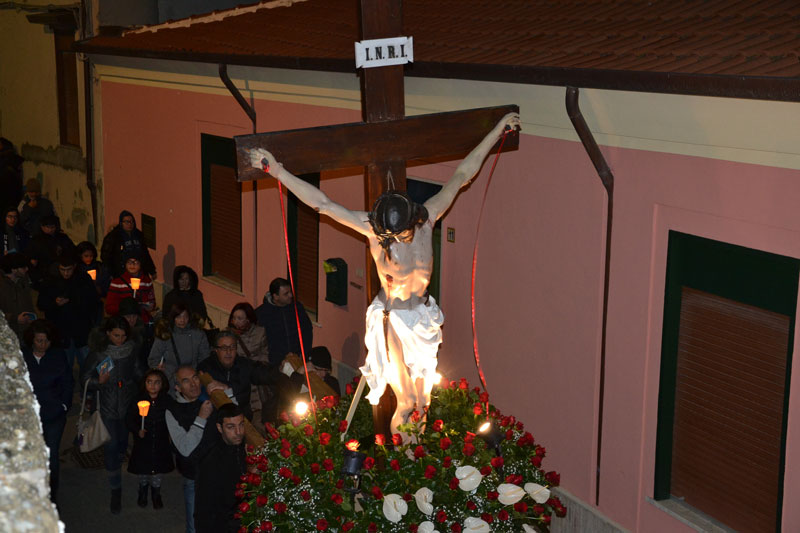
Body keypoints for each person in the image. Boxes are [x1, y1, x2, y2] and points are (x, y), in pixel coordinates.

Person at [249, 112, 520, 433]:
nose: (393, 240)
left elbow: (461, 174)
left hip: (422, 316)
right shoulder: (373, 229)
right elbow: (324, 204)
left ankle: (413, 453)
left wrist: (496, 132)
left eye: (399, 235)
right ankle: (401, 458)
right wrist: (277, 171)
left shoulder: (428, 217)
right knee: (406, 401)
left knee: (423, 401)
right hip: (393, 318)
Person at [82, 316, 143, 514]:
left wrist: (151, 377)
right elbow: (84, 378)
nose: (120, 340)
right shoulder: (98, 353)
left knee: (122, 443)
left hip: (126, 404)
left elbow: (138, 372)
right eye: (116, 335)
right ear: (108, 333)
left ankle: (116, 464)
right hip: (106, 406)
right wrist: (98, 382)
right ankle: (115, 488)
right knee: (112, 444)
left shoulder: (131, 350)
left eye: (124, 336)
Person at [166, 365, 227, 533]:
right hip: (194, 477)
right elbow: (185, 448)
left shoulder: (211, 400)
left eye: (195, 378)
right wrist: (201, 418)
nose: (193, 384)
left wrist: (226, 391)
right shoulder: (172, 411)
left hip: (217, 472)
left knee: (221, 522)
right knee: (195, 527)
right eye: (186, 381)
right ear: (178, 388)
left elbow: (233, 417)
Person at [21, 319, 72, 503]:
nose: (43, 345)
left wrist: (64, 405)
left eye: (47, 341)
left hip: (53, 414)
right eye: (39, 340)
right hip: (29, 416)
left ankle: (52, 496)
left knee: (51, 455)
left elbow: (67, 381)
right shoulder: (22, 357)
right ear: (32, 340)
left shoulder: (57, 355)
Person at [197, 330, 288, 422]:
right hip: (217, 421)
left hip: (243, 420)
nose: (228, 351)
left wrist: (281, 369)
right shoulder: (205, 368)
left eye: (232, 347)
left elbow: (264, 373)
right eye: (224, 348)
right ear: (216, 350)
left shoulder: (244, 364)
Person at [37, 253, 100, 371]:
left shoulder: (83, 279)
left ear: (74, 267)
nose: (66, 273)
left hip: (81, 329)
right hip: (60, 331)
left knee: (87, 366)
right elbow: (41, 304)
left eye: (69, 270)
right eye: (63, 270)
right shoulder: (50, 280)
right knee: (64, 367)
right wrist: (54, 303)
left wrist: (74, 301)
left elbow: (93, 302)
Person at [194, 403, 247, 533]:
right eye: (231, 427)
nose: (238, 432)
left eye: (241, 425)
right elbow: (204, 509)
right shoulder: (211, 462)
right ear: (219, 428)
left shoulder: (242, 449)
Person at [126, 369, 174, 510]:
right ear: (145, 383)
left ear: (162, 384)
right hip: (143, 442)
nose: (153, 386)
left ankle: (156, 493)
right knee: (143, 469)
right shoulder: (138, 400)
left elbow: (174, 416)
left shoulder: (166, 400)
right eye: (149, 382)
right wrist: (137, 430)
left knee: (158, 470)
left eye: (157, 382)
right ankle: (143, 490)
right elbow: (129, 419)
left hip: (161, 441)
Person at [148, 302, 211, 394]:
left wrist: (198, 374)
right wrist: (160, 370)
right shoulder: (165, 334)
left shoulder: (198, 334)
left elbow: (204, 358)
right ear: (173, 318)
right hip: (171, 380)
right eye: (178, 317)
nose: (182, 320)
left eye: (185, 317)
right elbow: (153, 359)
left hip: (192, 379)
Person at [254, 277, 312, 367]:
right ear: (275, 296)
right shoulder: (261, 313)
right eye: (286, 294)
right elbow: (258, 340)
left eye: (290, 292)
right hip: (273, 363)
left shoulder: (297, 308)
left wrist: (304, 354)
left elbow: (307, 331)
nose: (290, 295)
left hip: (297, 359)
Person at [228, 302, 269, 418]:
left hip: (256, 380)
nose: (236, 321)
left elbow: (265, 355)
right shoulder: (228, 335)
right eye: (234, 318)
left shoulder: (260, 332)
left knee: (259, 414)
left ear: (248, 319)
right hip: (239, 379)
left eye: (240, 318)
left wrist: (254, 365)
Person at [101, 210, 156, 278]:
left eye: (132, 222)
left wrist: (152, 271)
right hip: (121, 272)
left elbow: (145, 254)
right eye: (127, 222)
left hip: (138, 271)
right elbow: (106, 256)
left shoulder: (138, 235)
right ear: (121, 223)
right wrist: (111, 273)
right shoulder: (113, 236)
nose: (130, 224)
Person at [24, 214, 75, 288]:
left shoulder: (62, 237)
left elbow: (71, 251)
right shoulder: (36, 240)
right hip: (45, 273)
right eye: (48, 227)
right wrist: (37, 277)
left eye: (53, 227)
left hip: (64, 271)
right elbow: (32, 261)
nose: (51, 229)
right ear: (42, 227)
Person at [105, 252, 156, 323]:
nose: (132, 265)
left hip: (141, 320)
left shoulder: (146, 281)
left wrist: (144, 306)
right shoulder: (117, 283)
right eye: (129, 262)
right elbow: (109, 308)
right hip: (122, 321)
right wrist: (126, 308)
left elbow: (152, 303)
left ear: (141, 264)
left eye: (136, 262)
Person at [0, 252, 35, 341]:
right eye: (23, 267)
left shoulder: (24, 280)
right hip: (7, 335)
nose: (27, 269)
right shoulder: (2, 286)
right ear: (14, 269)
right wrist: (15, 318)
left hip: (27, 332)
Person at [76, 240, 112, 305]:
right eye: (86, 256)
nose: (89, 258)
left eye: (91, 256)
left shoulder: (99, 267)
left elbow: (106, 283)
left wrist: (99, 288)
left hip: (99, 299)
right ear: (80, 255)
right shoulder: (77, 269)